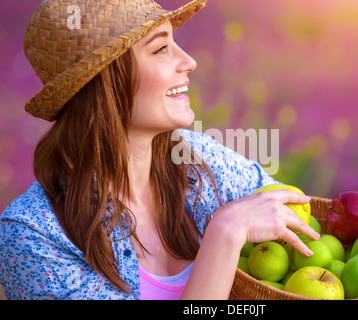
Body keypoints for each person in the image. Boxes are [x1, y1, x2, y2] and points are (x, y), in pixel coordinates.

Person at [0, 0, 319, 300]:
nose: (188, 61)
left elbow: (290, 214)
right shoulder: (32, 239)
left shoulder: (197, 158)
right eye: (161, 48)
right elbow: (238, 224)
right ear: (106, 81)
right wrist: (225, 233)